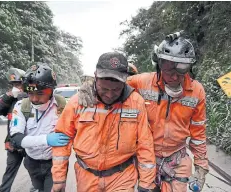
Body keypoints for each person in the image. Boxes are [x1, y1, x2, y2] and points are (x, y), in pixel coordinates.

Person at [78, 32, 209, 192]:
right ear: (159, 64)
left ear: (190, 67)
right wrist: (90, 85)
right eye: (167, 67)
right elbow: (113, 82)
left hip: (177, 159)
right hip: (146, 156)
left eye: (181, 68)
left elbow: (198, 134)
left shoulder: (196, 91)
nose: (174, 76)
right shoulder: (142, 82)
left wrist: (201, 166)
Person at [51, 52, 156, 192]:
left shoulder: (136, 103)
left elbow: (145, 144)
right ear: (95, 77)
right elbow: (63, 142)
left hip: (122, 177)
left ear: (125, 81)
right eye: (104, 88)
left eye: (116, 89)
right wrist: (59, 178)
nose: (110, 94)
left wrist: (146, 183)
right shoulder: (78, 102)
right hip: (86, 177)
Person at [9, 63, 69, 192]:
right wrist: (46, 139)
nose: (35, 99)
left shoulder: (62, 107)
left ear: (51, 91)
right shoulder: (21, 106)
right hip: (31, 162)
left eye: (40, 93)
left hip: (55, 164)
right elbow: (16, 139)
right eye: (30, 93)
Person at [0, 68, 31, 192]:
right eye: (14, 84)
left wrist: (24, 95)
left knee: (35, 172)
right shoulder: (10, 99)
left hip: (30, 144)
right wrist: (8, 95)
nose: (16, 87)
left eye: (18, 84)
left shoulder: (33, 97)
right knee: (9, 172)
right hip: (13, 144)